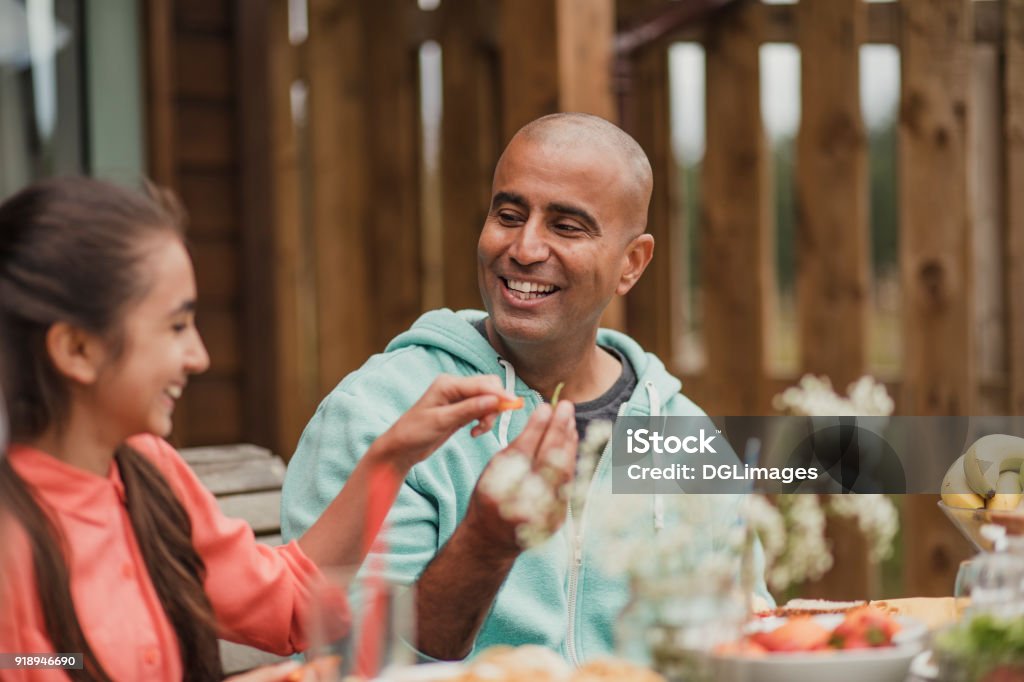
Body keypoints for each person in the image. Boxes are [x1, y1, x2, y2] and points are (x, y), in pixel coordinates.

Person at [0, 176, 543, 681]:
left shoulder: (145, 469)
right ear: (76, 349)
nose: (199, 357)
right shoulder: (16, 539)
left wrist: (394, 456)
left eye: (569, 226)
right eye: (176, 326)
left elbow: (287, 604)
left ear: (630, 264)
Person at [281, 112, 771, 664]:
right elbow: (344, 662)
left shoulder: (681, 431)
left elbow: (747, 637)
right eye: (509, 215)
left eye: (566, 226)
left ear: (631, 264)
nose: (524, 247)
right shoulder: (377, 414)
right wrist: (484, 546)